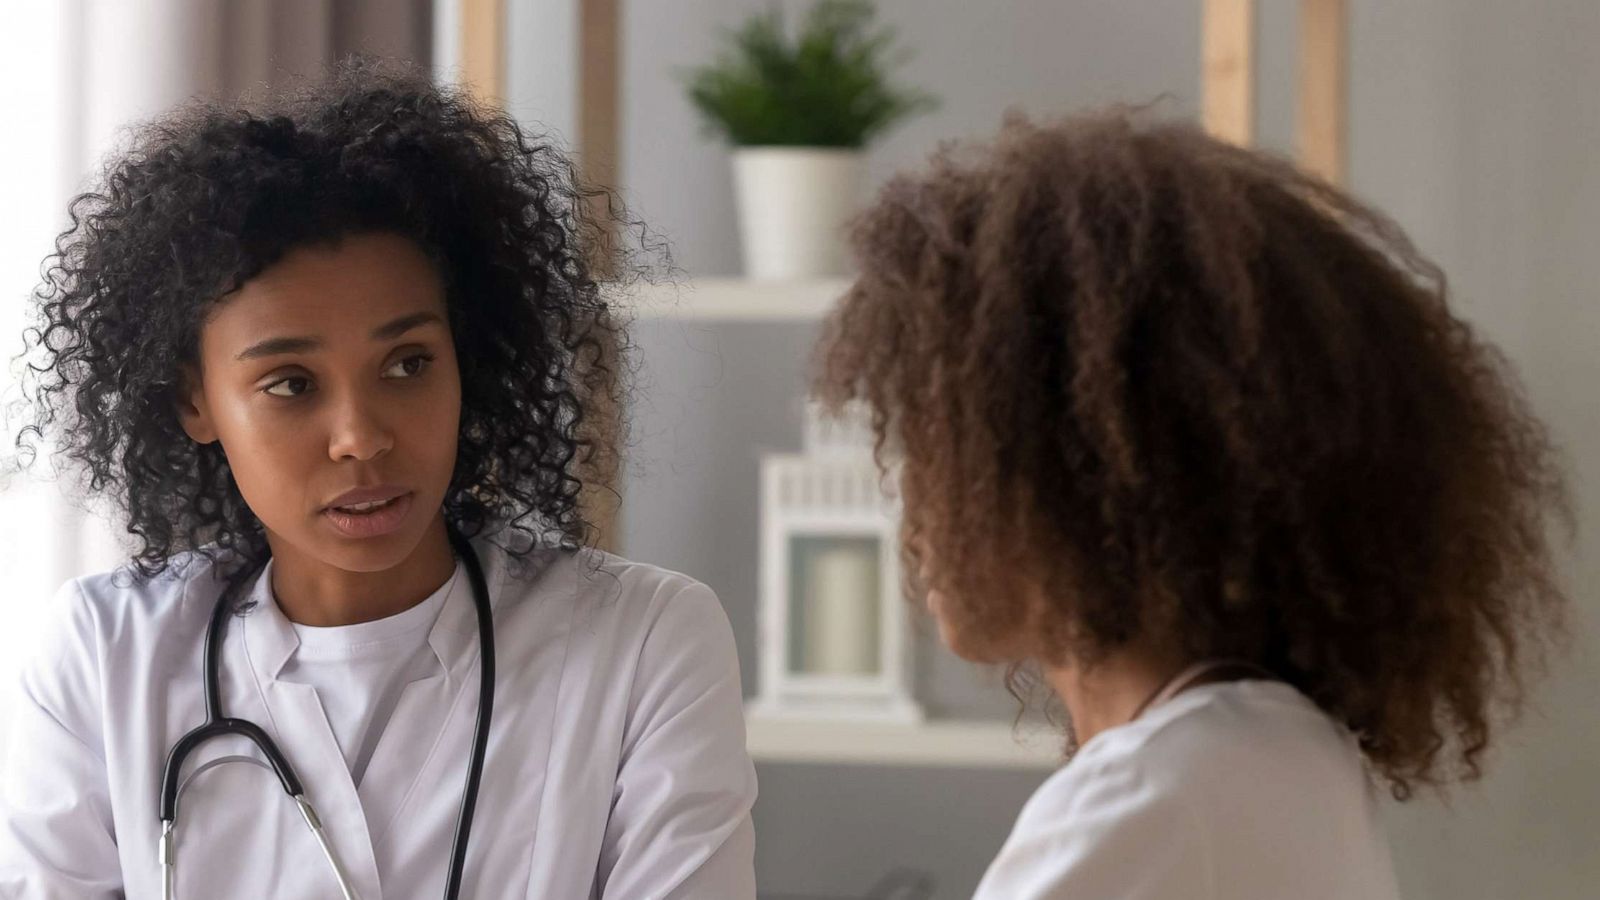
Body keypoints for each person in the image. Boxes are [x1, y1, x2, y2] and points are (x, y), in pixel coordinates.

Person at [0, 63, 756, 899]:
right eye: (290, 382)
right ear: (195, 398)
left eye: (408, 363)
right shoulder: (105, 658)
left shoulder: (644, 643)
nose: (362, 437)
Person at [812, 112, 1568, 899]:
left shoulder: (1148, 799)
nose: (917, 503)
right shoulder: (1290, 753)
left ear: (1093, 474)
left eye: (948, 450)